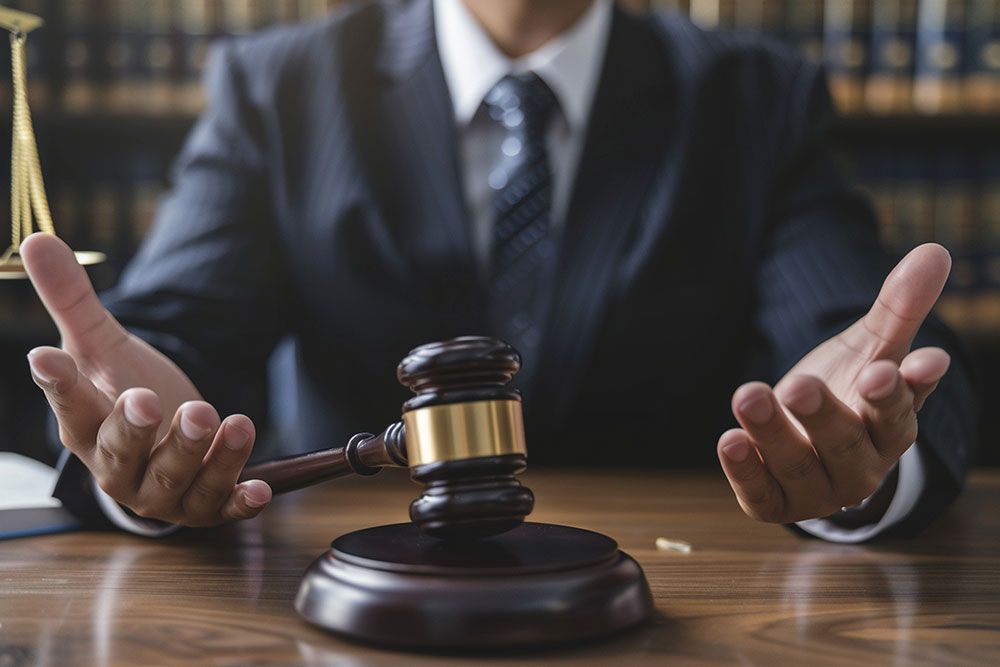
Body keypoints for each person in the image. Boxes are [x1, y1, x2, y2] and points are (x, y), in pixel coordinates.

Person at [21, 0, 976, 541]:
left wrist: (864, 458)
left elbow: (862, 347)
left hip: (682, 587)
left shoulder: (756, 99)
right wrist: (134, 453)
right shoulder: (281, 89)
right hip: (333, 577)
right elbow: (171, 339)